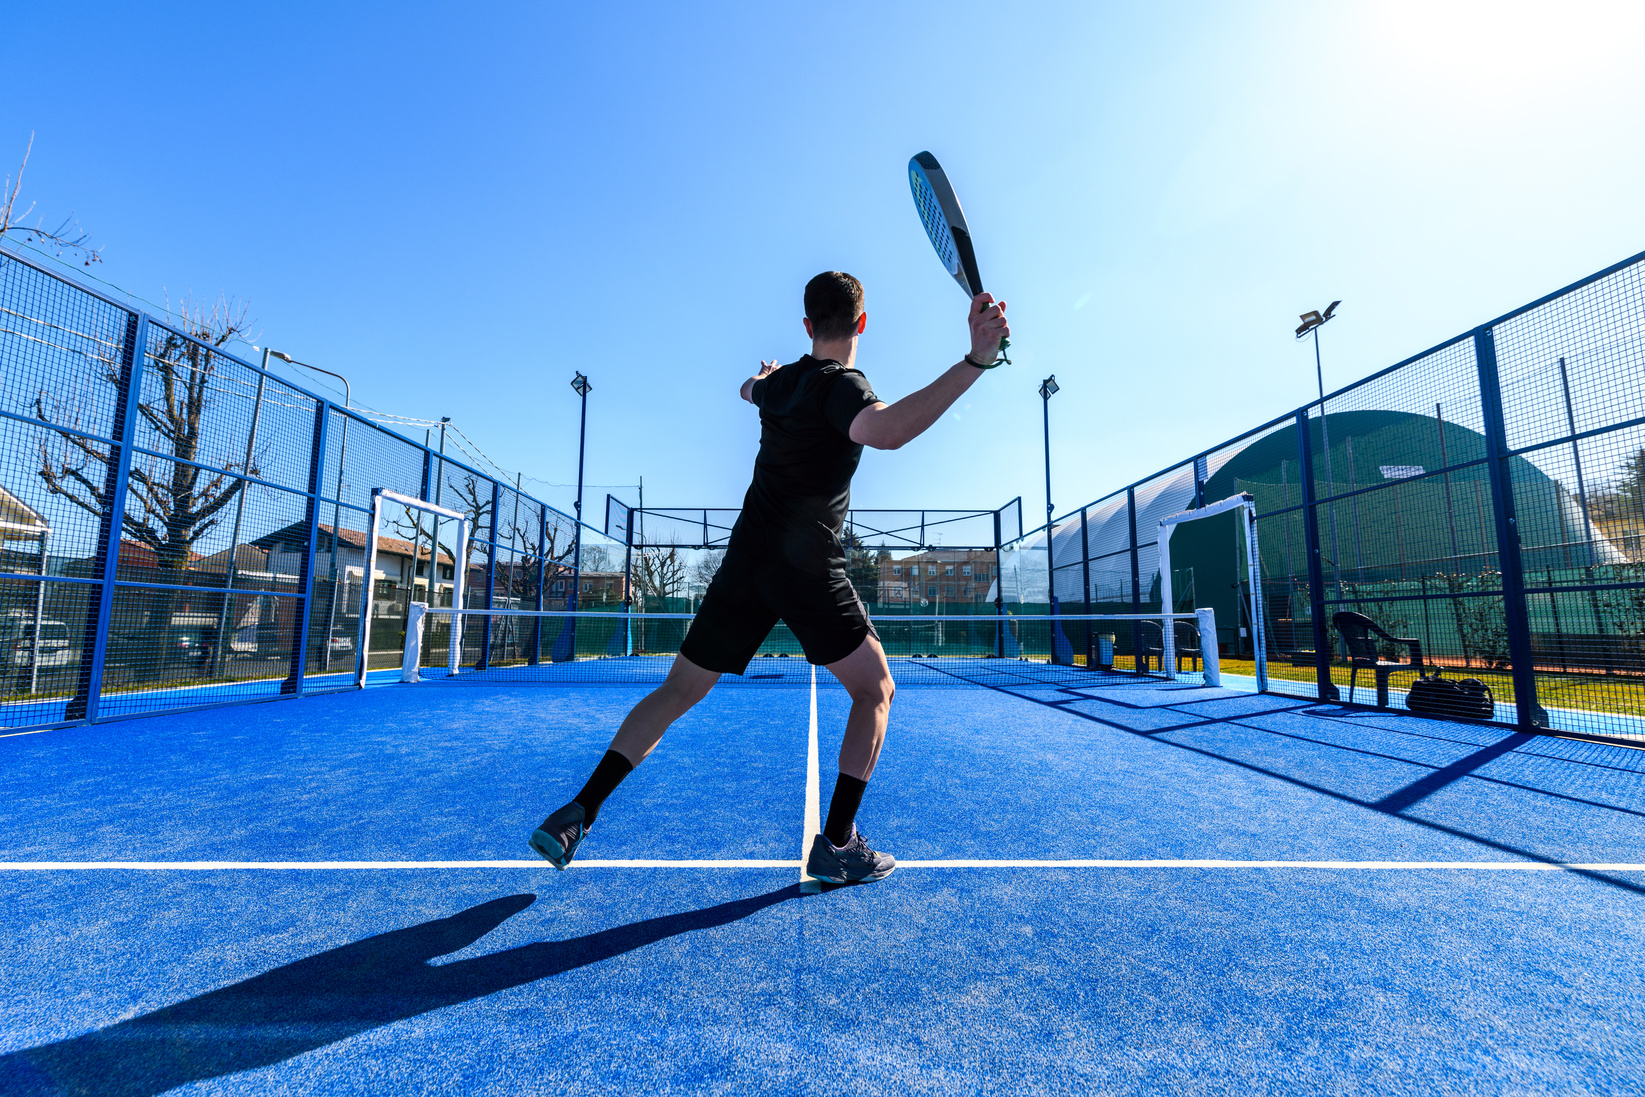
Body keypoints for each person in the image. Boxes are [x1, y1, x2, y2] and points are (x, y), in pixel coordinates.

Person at [529, 271, 1010, 883]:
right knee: (875, 690)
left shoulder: (779, 384)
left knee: (677, 691)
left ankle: (581, 809)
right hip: (806, 568)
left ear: (808, 325)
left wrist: (763, 376)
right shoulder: (843, 387)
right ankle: (838, 843)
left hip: (747, 563)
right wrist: (975, 359)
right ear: (861, 324)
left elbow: (746, 388)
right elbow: (886, 431)